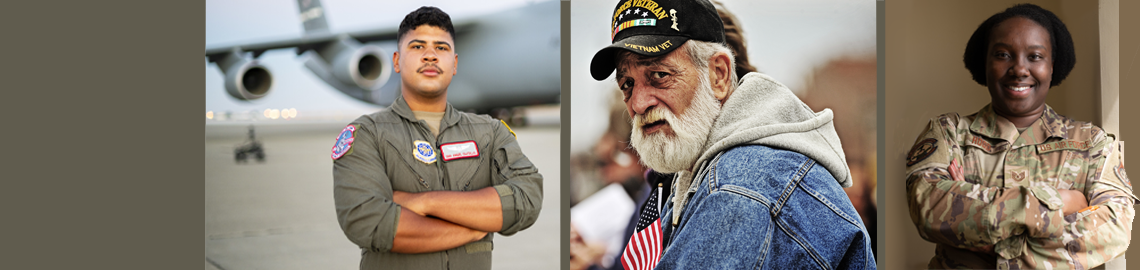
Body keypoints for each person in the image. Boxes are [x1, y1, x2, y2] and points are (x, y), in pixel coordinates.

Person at [588, 0, 875, 269]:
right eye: (627, 83)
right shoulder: (706, 170)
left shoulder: (736, 189)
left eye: (659, 76)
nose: (638, 103)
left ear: (719, 75)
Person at [904, 4, 1134, 269]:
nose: (1019, 69)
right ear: (985, 63)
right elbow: (930, 208)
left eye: (1035, 56)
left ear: (1052, 65)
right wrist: (1063, 202)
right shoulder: (949, 133)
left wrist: (984, 231)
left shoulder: (1092, 143)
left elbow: (1114, 227)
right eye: (1003, 54)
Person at [331, 6, 543, 270]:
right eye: (418, 47)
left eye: (441, 48)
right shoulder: (367, 135)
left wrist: (424, 202)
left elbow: (528, 199)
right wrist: (473, 228)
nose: (430, 56)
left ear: (454, 64)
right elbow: (368, 222)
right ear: (396, 61)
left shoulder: (489, 132)